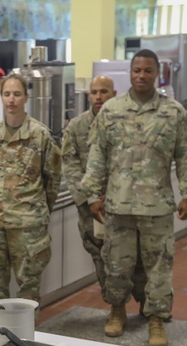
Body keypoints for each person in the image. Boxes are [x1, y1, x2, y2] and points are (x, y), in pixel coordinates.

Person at [81, 49, 187, 346]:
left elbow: (185, 156)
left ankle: (156, 318)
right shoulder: (110, 110)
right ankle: (117, 310)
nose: (142, 76)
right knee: (117, 263)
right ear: (130, 74)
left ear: (157, 74)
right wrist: (93, 195)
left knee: (159, 266)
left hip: (157, 206)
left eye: (148, 71)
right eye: (137, 70)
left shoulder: (173, 112)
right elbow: (97, 156)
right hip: (118, 205)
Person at [0, 74, 61, 306]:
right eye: (6, 94)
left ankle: (25, 337)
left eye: (16, 94)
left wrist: (35, 210)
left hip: (28, 226)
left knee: (28, 287)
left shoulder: (40, 135)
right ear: (1, 98)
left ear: (26, 97)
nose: (11, 100)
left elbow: (52, 180)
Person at [63, 74, 144, 297]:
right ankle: (114, 304)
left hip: (123, 202)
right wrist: (89, 199)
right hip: (91, 208)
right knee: (99, 253)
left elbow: (135, 163)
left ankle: (142, 298)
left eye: (104, 92)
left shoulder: (127, 123)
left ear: (114, 94)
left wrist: (116, 195)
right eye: (94, 92)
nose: (98, 97)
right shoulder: (77, 126)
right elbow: (70, 166)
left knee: (131, 252)